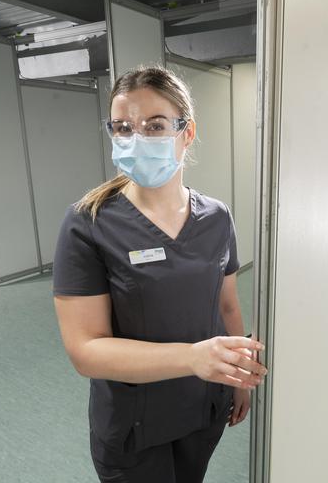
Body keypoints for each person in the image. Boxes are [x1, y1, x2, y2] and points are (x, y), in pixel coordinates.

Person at [52, 65, 267, 483]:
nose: (136, 139)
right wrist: (192, 358)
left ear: (186, 132)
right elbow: (85, 350)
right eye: (123, 127)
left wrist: (237, 379)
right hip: (135, 422)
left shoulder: (216, 218)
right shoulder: (87, 223)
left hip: (203, 406)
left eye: (154, 126)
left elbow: (226, 305)